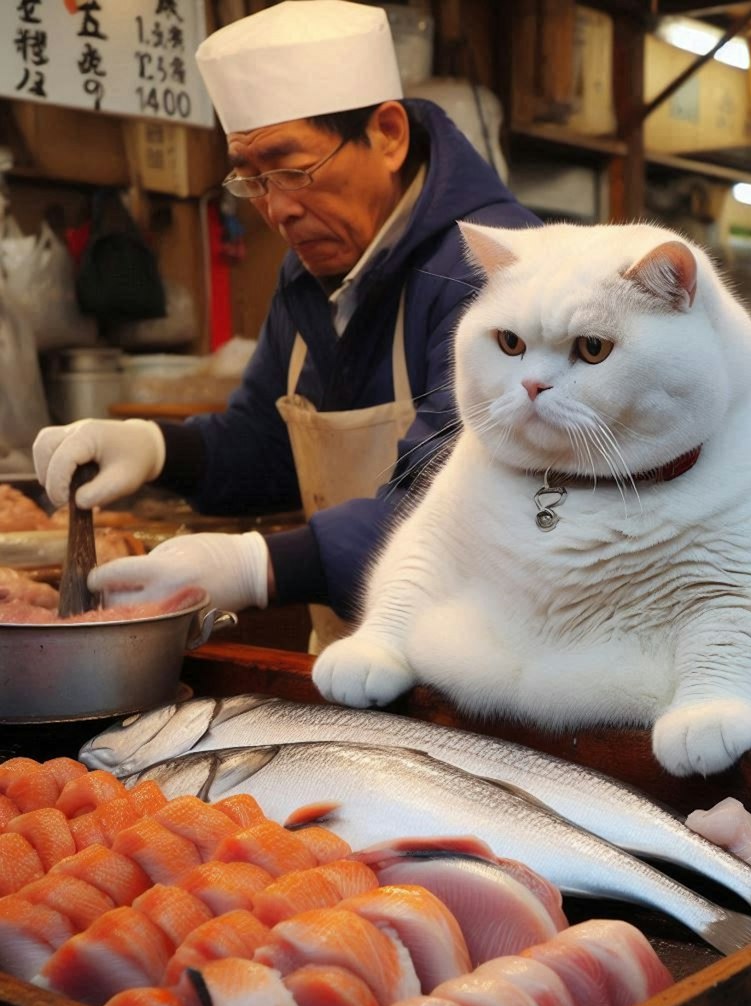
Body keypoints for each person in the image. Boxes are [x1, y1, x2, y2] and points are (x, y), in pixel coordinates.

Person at [32, 0, 539, 648]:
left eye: (293, 170)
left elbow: (467, 508)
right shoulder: (309, 275)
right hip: (355, 659)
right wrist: (157, 448)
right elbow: (267, 446)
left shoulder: (493, 270)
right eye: (252, 181)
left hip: (485, 674)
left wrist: (261, 567)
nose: (278, 210)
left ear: (388, 134)